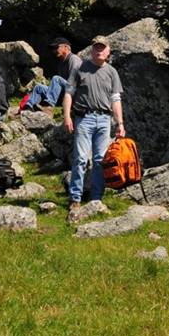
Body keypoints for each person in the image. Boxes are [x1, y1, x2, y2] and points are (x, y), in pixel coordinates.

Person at [62, 36, 125, 220]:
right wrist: (67, 116)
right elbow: (68, 93)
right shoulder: (79, 68)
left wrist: (120, 124)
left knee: (99, 161)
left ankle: (96, 198)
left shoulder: (112, 72)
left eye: (102, 47)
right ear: (92, 50)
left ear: (108, 51)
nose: (99, 50)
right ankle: (75, 198)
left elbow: (116, 100)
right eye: (96, 47)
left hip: (104, 120)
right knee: (80, 159)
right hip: (84, 118)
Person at [25, 38, 82, 112]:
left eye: (56, 47)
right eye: (53, 49)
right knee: (38, 87)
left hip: (76, 94)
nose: (54, 51)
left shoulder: (74, 59)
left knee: (56, 79)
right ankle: (28, 107)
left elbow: (75, 81)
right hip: (65, 93)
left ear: (66, 47)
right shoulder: (61, 63)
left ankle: (49, 106)